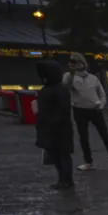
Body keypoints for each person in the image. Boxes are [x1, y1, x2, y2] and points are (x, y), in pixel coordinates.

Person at [64, 53, 108, 171]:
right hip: (79, 110)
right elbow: (65, 87)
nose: (79, 65)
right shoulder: (70, 77)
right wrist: (70, 74)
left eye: (80, 63)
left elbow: (102, 93)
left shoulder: (93, 78)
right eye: (75, 63)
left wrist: (101, 104)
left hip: (95, 109)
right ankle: (88, 161)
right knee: (83, 137)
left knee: (105, 135)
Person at [34, 61, 75, 191]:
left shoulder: (59, 90)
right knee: (56, 155)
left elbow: (64, 110)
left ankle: (66, 180)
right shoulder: (48, 89)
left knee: (63, 155)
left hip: (59, 128)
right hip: (49, 127)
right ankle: (62, 179)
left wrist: (51, 122)